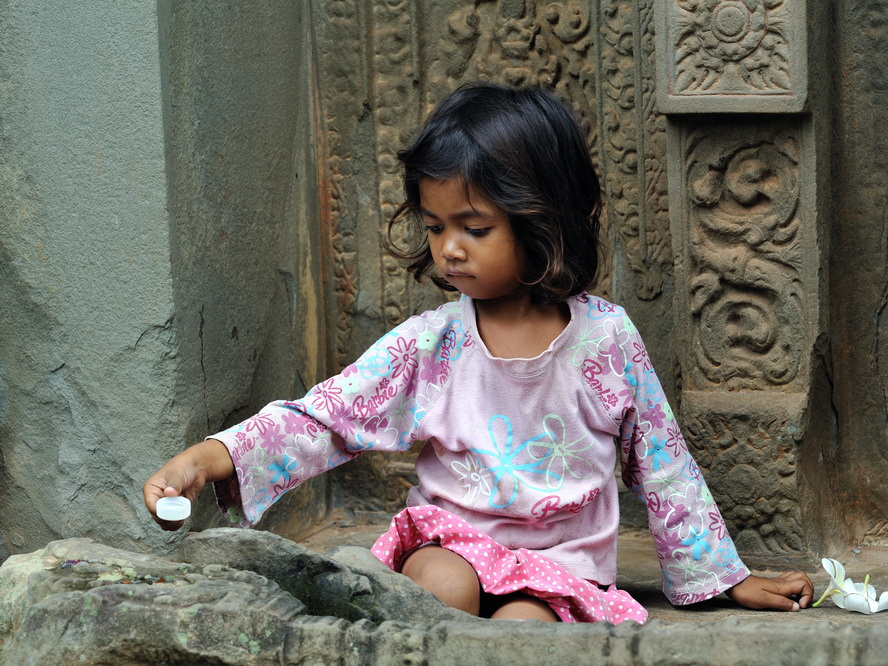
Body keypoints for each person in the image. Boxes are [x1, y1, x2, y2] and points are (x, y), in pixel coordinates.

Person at [143, 82, 813, 623]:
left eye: (475, 227)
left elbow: (663, 465)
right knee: (443, 595)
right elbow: (328, 417)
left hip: (561, 567)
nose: (449, 248)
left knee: (527, 636)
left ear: (543, 219)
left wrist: (723, 579)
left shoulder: (606, 342)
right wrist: (214, 454)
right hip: (452, 544)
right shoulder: (432, 344)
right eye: (435, 227)